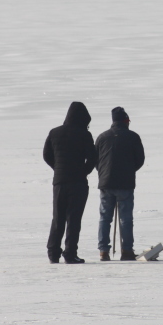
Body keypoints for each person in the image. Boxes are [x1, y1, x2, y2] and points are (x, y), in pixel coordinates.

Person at [43, 101, 98, 264]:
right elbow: (93, 157)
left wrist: (58, 168)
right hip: (78, 183)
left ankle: (53, 253)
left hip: (59, 182)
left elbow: (46, 155)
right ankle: (70, 253)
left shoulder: (54, 133)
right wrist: (83, 171)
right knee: (73, 219)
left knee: (58, 217)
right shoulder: (84, 135)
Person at [95, 106, 146, 261]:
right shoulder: (133, 137)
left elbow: (96, 160)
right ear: (126, 121)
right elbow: (140, 159)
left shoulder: (102, 137)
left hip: (106, 182)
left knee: (105, 217)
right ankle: (127, 251)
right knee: (126, 218)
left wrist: (103, 172)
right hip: (125, 183)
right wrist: (130, 170)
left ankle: (103, 252)